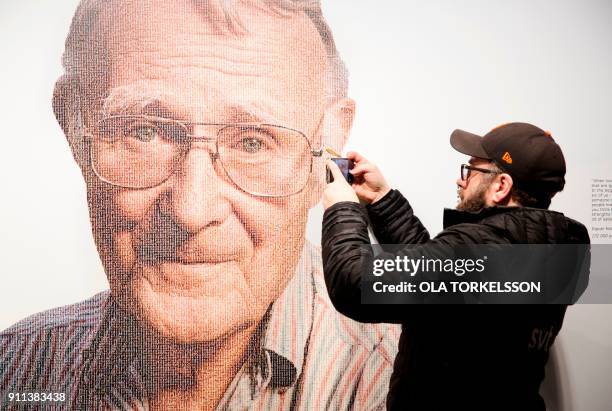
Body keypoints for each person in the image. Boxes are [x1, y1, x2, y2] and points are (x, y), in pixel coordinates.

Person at [0, 1, 399, 409]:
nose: (192, 211)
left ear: (325, 157)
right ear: (74, 128)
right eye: (145, 132)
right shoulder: (13, 369)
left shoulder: (407, 378)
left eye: (252, 142)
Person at [321, 122, 591, 410]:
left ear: (501, 186)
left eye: (472, 170)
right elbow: (434, 284)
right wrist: (381, 199)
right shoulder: (550, 252)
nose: (461, 180)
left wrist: (341, 208)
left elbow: (355, 285)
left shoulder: (478, 249)